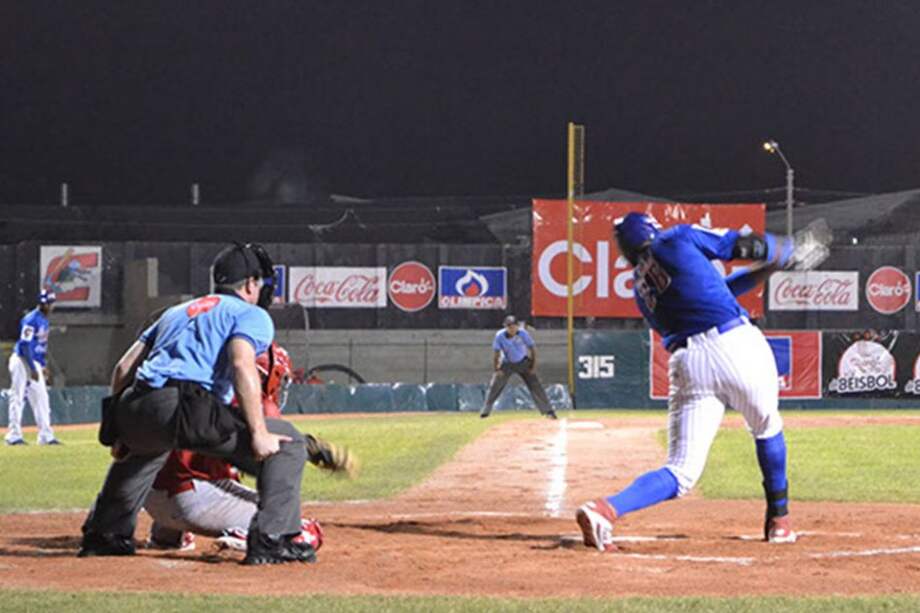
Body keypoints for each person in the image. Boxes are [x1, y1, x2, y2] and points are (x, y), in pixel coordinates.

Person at [78, 243, 316, 565]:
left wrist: (117, 429)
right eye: (259, 284)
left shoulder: (174, 312)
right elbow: (241, 363)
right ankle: (273, 540)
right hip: (185, 404)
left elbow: (123, 368)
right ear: (249, 284)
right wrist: (259, 433)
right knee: (289, 443)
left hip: (136, 403)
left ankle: (104, 535)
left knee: (143, 450)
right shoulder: (251, 314)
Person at [576, 213, 798, 552]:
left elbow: (716, 290)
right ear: (651, 229)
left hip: (688, 363)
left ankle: (605, 509)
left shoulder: (641, 286)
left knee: (681, 471)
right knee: (766, 427)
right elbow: (739, 244)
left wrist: (770, 268)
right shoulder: (675, 238)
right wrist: (780, 248)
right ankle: (779, 521)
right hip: (735, 344)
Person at [143, 342, 324, 555]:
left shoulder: (203, 385)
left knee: (209, 472)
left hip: (151, 494)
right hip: (188, 500)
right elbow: (272, 464)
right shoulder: (260, 406)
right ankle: (243, 535)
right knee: (300, 528)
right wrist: (310, 450)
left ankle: (166, 535)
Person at [5, 290, 60, 446]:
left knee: (41, 398)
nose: (51, 306)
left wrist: (41, 366)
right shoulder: (31, 319)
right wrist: (32, 368)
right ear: (42, 304)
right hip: (22, 360)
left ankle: (45, 435)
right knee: (18, 396)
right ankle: (13, 435)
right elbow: (25, 345)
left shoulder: (44, 320)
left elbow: (40, 346)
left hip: (33, 361)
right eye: (49, 303)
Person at [480, 315, 556, 419]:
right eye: (509, 327)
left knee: (535, 386)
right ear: (505, 327)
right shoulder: (500, 336)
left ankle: (548, 411)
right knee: (495, 386)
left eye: (514, 326)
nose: (512, 329)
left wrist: (533, 366)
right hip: (507, 363)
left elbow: (532, 349)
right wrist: (497, 369)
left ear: (517, 326)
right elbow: (496, 353)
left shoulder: (523, 333)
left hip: (523, 362)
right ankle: (486, 411)